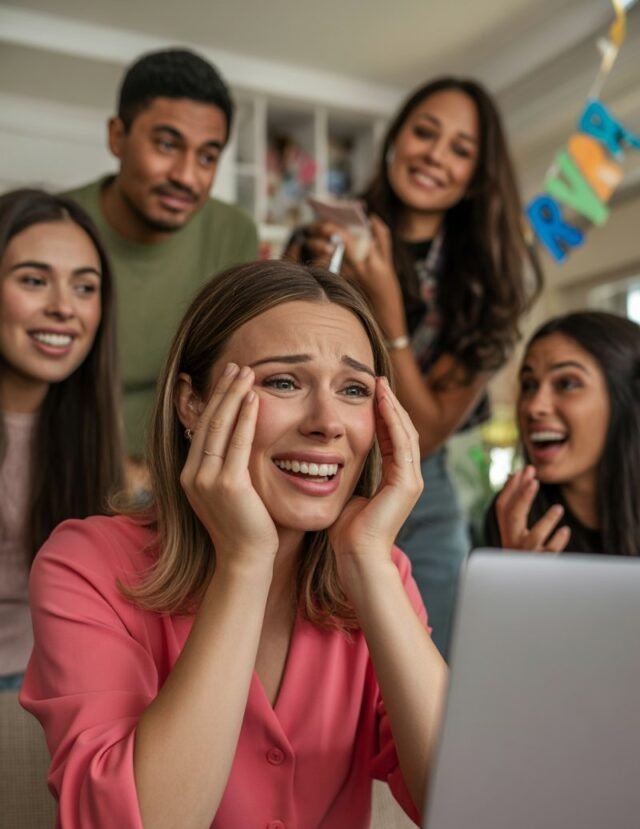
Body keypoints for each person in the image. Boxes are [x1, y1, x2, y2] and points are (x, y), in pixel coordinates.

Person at [20, 260, 447, 829]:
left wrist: (370, 566)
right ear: (192, 403)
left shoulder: (379, 572)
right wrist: (245, 562)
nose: (327, 422)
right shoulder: (86, 564)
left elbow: (468, 814)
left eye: (355, 390)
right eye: (283, 382)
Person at [289, 77, 541, 657]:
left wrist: (387, 310)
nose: (434, 154)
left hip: (422, 500)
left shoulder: (489, 282)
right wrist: (311, 271)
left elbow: (423, 434)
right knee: (315, 674)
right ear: (394, 141)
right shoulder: (326, 235)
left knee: (428, 672)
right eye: (425, 133)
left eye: (460, 148)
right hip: (314, 467)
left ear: (478, 175)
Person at [66, 48, 259, 463]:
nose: (186, 176)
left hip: (180, 472)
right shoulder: (51, 229)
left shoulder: (233, 234)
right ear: (118, 137)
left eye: (207, 156)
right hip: (66, 464)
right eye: (167, 144)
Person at [0, 188, 124, 691]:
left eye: (85, 288)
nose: (63, 308)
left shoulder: (95, 436)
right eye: (34, 280)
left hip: (62, 676)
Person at [484, 311, 640, 556]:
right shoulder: (513, 515)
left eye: (567, 384)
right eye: (529, 385)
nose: (534, 406)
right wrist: (513, 576)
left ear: (627, 400)